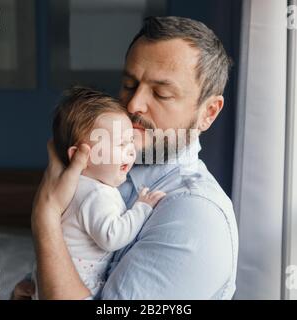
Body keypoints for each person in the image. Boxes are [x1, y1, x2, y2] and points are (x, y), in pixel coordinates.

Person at [13, 16, 238, 300]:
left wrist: (44, 216)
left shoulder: (194, 217)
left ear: (208, 113)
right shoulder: (98, 170)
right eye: (130, 85)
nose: (133, 105)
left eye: (161, 93)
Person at [31, 86, 165, 299]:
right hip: (78, 282)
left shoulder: (74, 186)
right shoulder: (96, 194)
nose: (131, 150)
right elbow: (111, 236)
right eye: (121, 143)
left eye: (130, 141)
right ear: (81, 156)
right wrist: (142, 207)